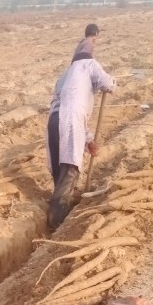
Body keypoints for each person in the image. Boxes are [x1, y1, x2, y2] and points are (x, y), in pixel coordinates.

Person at [46, 43, 115, 231]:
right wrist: (112, 82)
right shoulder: (89, 65)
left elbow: (72, 110)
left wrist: (89, 140)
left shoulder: (65, 77)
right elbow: (108, 83)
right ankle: (57, 222)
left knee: (59, 165)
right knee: (70, 167)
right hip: (70, 119)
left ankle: (58, 204)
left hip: (54, 119)